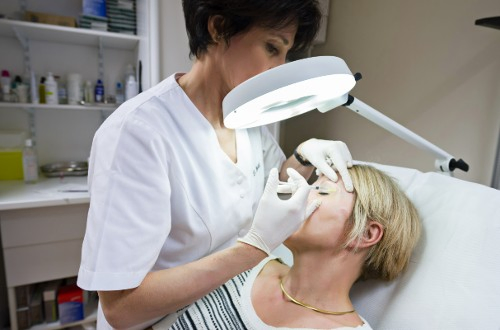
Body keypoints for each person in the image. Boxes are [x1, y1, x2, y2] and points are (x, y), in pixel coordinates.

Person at [77, 1, 355, 329]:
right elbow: (121, 307)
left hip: (221, 307)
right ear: (218, 27)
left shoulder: (247, 119)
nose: (280, 68)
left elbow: (269, 183)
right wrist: (253, 249)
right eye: (272, 47)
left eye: (285, 54)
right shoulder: (138, 134)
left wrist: (303, 157)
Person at [153, 164, 422, 329]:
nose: (300, 193)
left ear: (365, 233)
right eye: (311, 184)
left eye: (323, 191)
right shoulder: (246, 266)